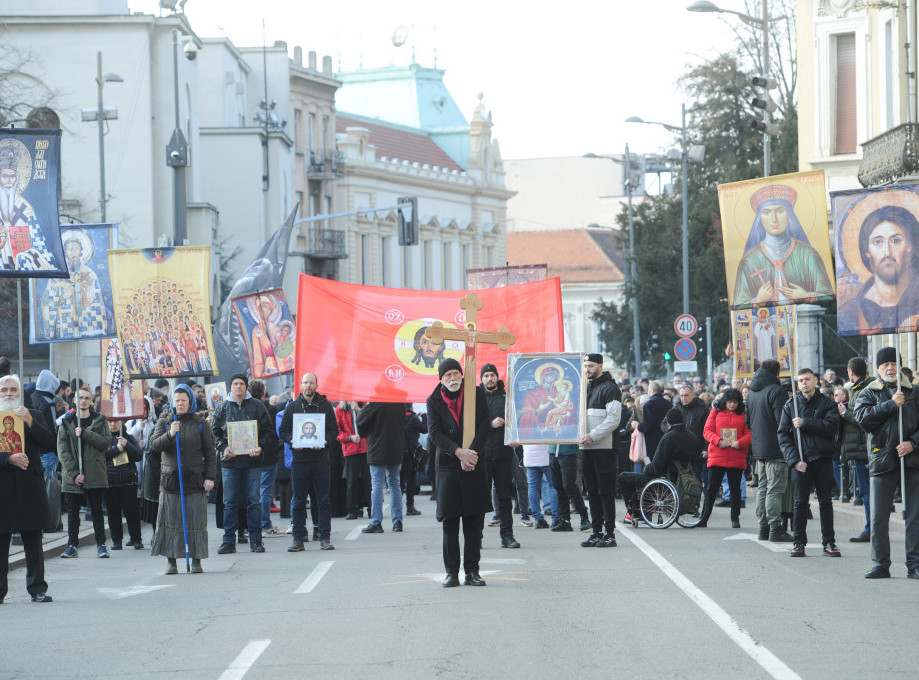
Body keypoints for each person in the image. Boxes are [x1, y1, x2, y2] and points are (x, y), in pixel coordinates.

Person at [426, 358, 491, 587]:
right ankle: (452, 572)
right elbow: (434, 433)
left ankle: (473, 571)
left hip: (473, 462)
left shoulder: (476, 394)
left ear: (461, 375)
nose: (453, 379)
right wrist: (458, 452)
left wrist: (471, 453)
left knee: (474, 522)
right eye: (448, 376)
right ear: (441, 379)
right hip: (448, 466)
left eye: (455, 374)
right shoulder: (433, 400)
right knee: (450, 523)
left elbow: (485, 424)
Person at [855, 347, 919, 578]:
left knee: (914, 515)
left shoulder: (914, 392)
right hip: (882, 459)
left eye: (893, 363)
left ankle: (914, 564)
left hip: (911, 460)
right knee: (879, 516)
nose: (890, 368)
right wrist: (891, 404)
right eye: (885, 365)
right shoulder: (868, 393)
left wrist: (913, 443)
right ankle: (881, 563)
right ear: (878, 369)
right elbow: (862, 420)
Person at [149, 383, 217, 574]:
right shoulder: (164, 422)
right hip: (170, 481)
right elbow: (155, 446)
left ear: (190, 402)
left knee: (195, 521)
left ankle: (196, 560)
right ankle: (171, 561)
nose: (180, 404)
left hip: (195, 481)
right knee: (171, 521)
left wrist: (210, 477)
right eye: (177, 400)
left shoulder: (201, 424)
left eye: (184, 400)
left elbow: (210, 453)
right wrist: (170, 434)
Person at [732, 183, 834, 307]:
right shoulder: (749, 260)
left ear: (789, 214)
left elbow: (828, 294)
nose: (774, 219)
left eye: (780, 211)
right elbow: (737, 305)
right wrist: (758, 300)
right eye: (766, 212)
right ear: (760, 218)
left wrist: (807, 296)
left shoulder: (808, 254)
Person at [0, 375, 54, 603]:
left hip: (30, 485)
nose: (8, 394)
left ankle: (37, 588)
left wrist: (30, 420)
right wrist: (8, 460)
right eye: (4, 390)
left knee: (33, 539)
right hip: (3, 485)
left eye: (13, 389)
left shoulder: (36, 415)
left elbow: (50, 442)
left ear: (20, 393)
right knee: (1, 541)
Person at [777, 368, 840, 558]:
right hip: (801, 462)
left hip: (822, 459)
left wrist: (806, 423)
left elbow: (831, 427)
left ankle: (829, 542)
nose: (804, 383)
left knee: (825, 502)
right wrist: (794, 460)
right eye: (801, 380)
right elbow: (783, 436)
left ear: (815, 381)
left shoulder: (827, 403)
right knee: (800, 503)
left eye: (807, 379)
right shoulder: (790, 406)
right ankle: (799, 542)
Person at [211, 374, 275, 555]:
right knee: (229, 502)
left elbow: (268, 432)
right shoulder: (223, 407)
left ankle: (256, 540)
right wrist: (223, 447)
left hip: (252, 462)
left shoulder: (257, 406)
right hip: (230, 463)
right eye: (235, 384)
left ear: (246, 387)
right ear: (230, 387)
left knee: (253, 502)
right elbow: (214, 433)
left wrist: (260, 446)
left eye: (241, 384)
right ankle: (228, 541)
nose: (238, 387)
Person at [278, 372, 338, 552]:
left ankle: (324, 537)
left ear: (317, 385)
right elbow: (283, 430)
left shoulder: (325, 406)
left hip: (320, 460)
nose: (308, 386)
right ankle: (298, 539)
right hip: (300, 461)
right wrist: (292, 441)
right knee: (298, 501)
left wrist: (326, 440)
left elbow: (334, 430)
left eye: (311, 382)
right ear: (301, 385)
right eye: (305, 383)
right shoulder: (293, 407)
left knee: (323, 501)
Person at [839, 206, 919, 334]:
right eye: (878, 242)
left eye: (896, 241)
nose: (887, 252)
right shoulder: (852, 311)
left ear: (910, 246)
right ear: (867, 251)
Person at [57, 385, 111, 559]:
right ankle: (72, 545)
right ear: (74, 399)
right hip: (74, 476)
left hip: (95, 473)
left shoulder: (100, 419)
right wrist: (74, 474)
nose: (83, 401)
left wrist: (85, 434)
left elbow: (105, 442)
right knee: (73, 513)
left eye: (87, 398)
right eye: (80, 397)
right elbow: (63, 451)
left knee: (96, 511)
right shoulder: (66, 422)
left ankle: (101, 545)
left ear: (91, 401)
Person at [619, 409, 700, 519]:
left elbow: (656, 466)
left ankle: (637, 514)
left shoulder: (668, 437)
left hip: (667, 478)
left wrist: (646, 469)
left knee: (624, 477)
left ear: (668, 422)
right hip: (685, 476)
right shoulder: (693, 437)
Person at [745, 359, 793, 542]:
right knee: (774, 489)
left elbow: (748, 422)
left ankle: (763, 527)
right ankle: (775, 528)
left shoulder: (751, 393)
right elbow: (782, 420)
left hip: (758, 448)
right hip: (776, 447)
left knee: (763, 488)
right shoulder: (776, 390)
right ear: (777, 373)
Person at [579, 353, 622, 548]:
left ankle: (609, 534)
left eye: (591, 366)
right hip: (586, 447)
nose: (587, 369)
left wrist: (593, 435)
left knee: (605, 492)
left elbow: (614, 419)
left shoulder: (610, 388)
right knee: (592, 492)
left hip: (604, 448)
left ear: (600, 366)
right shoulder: (585, 388)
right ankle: (596, 532)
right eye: (585, 365)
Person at [479, 363, 521, 547]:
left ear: (497, 377)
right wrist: (490, 424)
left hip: (503, 454)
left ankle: (507, 536)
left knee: (505, 497)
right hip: (482, 455)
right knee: (479, 498)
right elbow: (470, 424)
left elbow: (517, 420)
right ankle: (476, 537)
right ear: (481, 379)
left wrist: (516, 439)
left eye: (492, 375)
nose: (490, 379)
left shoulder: (507, 397)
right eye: (486, 375)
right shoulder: (476, 398)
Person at [0, 140, 58, 271]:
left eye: (13, 176)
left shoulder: (26, 210)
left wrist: (24, 256)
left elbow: (39, 244)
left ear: (17, 179)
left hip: (22, 269)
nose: (9, 181)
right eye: (5, 176)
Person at [39, 230, 106, 340]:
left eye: (76, 249)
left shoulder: (90, 275)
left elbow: (98, 303)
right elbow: (47, 304)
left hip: (86, 326)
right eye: (70, 250)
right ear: (65, 252)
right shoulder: (57, 276)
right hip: (64, 325)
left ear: (81, 251)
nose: (74, 253)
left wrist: (81, 293)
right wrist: (63, 297)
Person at [699, 388, 750, 529]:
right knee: (711, 489)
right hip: (717, 456)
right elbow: (707, 431)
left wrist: (740, 442)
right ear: (725, 402)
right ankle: (704, 518)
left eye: (735, 402)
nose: (732, 405)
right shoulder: (715, 411)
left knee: (735, 490)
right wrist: (718, 440)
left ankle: (735, 519)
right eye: (729, 402)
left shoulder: (744, 414)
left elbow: (750, 433)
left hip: (736, 456)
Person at [356, 400, 406, 533]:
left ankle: (376, 522)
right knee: (395, 484)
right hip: (396, 447)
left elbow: (360, 420)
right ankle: (398, 522)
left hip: (377, 448)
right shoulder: (400, 402)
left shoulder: (375, 402)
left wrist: (365, 433)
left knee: (377, 485)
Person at [842, 357, 872, 543]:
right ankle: (872, 526)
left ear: (851, 372)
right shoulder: (860, 388)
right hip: (861, 447)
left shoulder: (862, 390)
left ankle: (871, 528)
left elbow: (864, 418)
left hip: (863, 448)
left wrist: (845, 413)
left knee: (867, 492)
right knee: (867, 491)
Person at [247, 379, 282, 538]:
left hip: (250, 453)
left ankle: (250, 525)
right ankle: (265, 524)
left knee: (252, 491)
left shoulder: (246, 408)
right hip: (268, 454)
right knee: (266, 491)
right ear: (263, 392)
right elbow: (276, 431)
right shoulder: (271, 409)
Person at [103, 420, 144, 551]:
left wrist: (127, 445)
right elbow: (101, 456)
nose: (112, 425)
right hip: (111, 480)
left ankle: (136, 539)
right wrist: (116, 449)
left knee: (131, 511)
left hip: (128, 479)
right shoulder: (104, 439)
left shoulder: (129, 437)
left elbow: (138, 455)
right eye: (109, 423)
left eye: (115, 422)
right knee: (113, 512)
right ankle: (116, 541)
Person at [336, 401, 370, 520]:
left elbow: (372, 421)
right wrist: (350, 437)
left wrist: (360, 411)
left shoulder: (366, 405)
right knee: (351, 481)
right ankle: (351, 509)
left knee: (369, 480)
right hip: (350, 448)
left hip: (366, 448)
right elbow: (337, 431)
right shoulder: (340, 409)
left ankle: (371, 508)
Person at [401, 406, 427, 517]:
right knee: (411, 480)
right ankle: (410, 507)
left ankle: (396, 508)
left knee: (398, 481)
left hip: (398, 452)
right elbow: (425, 429)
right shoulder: (413, 418)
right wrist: (425, 417)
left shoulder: (397, 417)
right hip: (411, 453)